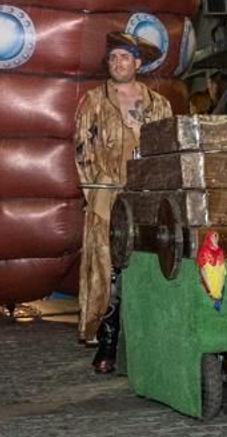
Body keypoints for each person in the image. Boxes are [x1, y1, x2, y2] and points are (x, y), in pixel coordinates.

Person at [72, 31, 174, 374]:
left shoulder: (159, 104)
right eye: (113, 58)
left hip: (147, 201)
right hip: (107, 202)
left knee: (148, 270)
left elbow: (167, 151)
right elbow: (82, 151)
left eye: (124, 58)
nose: (118, 63)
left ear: (137, 63)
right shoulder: (93, 101)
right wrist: (100, 195)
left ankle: (149, 345)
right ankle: (108, 345)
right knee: (109, 274)